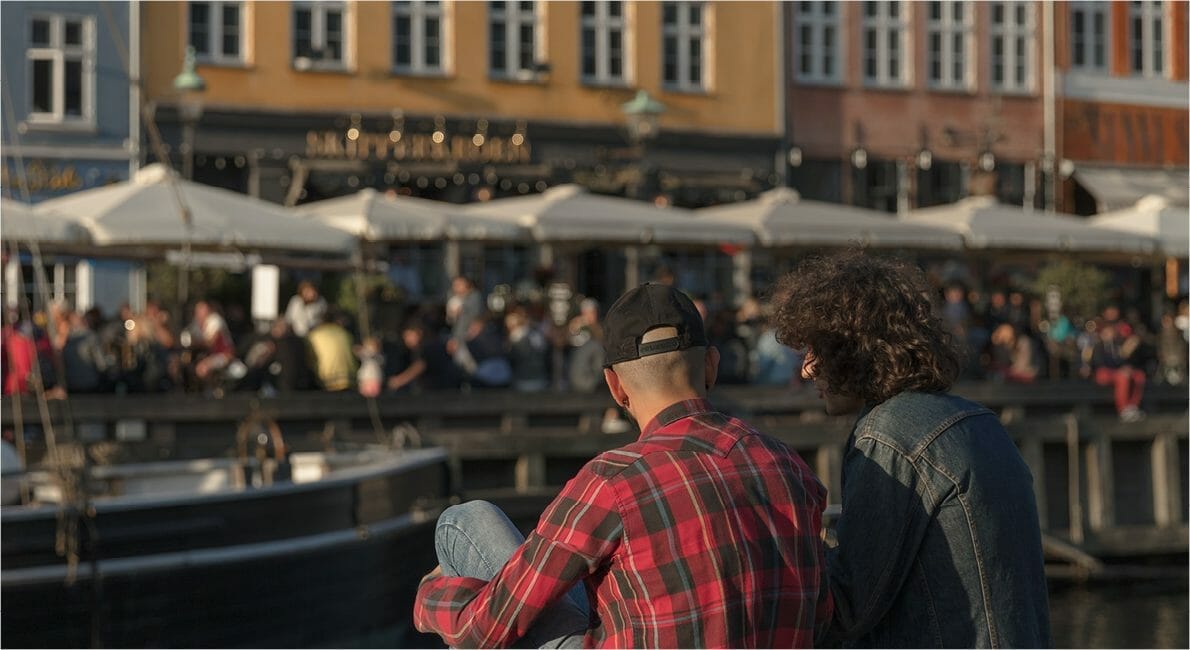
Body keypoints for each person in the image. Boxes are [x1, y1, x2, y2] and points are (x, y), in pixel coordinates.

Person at [414, 283, 832, 648]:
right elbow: (820, 613)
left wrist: (430, 596)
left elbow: (483, 632)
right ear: (711, 367)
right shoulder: (789, 466)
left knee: (464, 521)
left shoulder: (612, 481)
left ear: (615, 387)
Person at [769, 250, 1051, 648]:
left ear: (852, 349)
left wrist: (785, 542)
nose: (807, 368)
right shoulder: (977, 419)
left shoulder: (889, 435)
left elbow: (849, 606)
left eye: (816, 349)